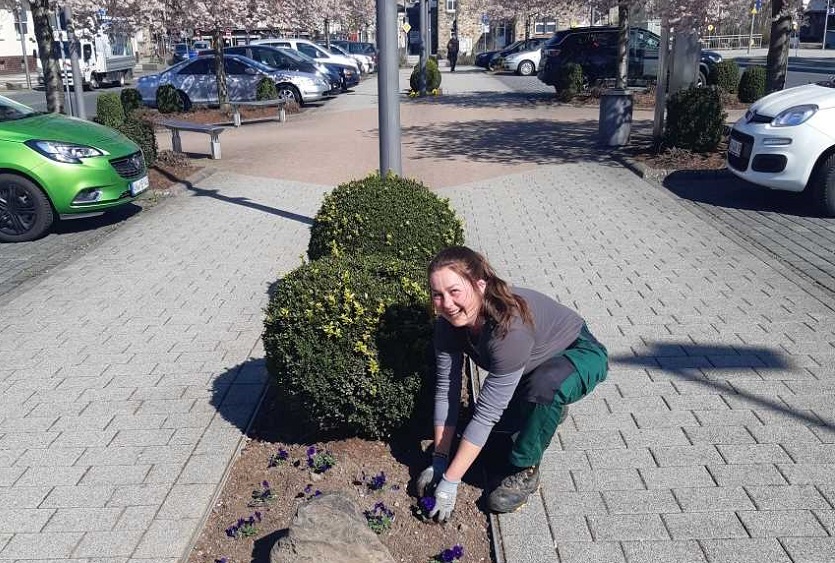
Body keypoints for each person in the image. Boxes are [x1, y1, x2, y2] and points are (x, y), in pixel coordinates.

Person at [416, 246, 608, 519]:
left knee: (545, 388)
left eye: (455, 291)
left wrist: (449, 483)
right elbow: (447, 390)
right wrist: (440, 459)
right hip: (530, 364)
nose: (447, 303)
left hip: (578, 352)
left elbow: (486, 414)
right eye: (438, 295)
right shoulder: (449, 323)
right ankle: (541, 409)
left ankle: (525, 467)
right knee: (496, 432)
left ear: (480, 284)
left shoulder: (509, 329)